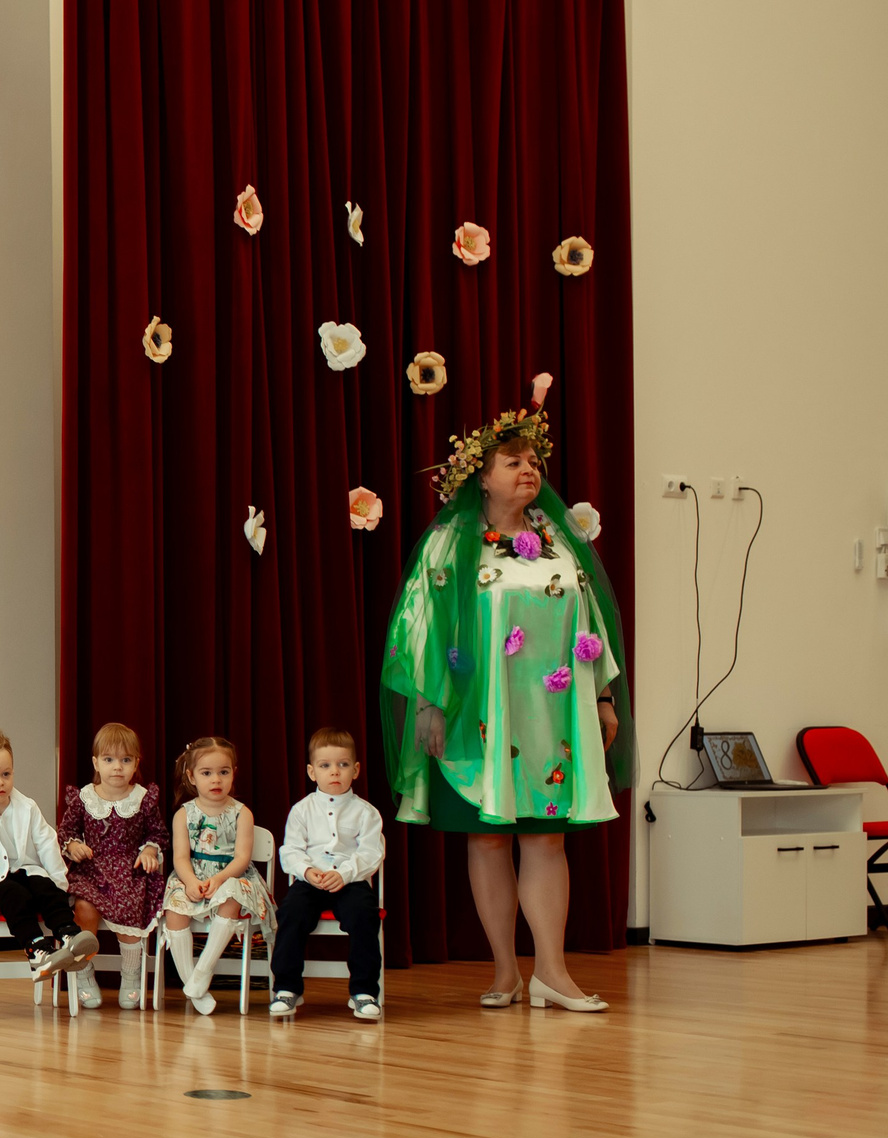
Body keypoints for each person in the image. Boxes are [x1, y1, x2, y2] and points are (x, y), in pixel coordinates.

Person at [381, 378, 629, 1011]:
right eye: (513, 461)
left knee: (547, 838)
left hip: (551, 719)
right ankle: (503, 972)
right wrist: (429, 704)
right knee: (487, 837)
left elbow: (589, 623)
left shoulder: (557, 540)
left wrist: (602, 698)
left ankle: (552, 973)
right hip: (477, 715)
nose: (529, 469)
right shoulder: (451, 545)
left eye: (533, 460)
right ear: (482, 479)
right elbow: (422, 627)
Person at [0, 726, 99, 991]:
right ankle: (37, 952)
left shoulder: (27, 806)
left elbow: (47, 843)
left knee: (45, 888)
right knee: (15, 896)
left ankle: (69, 935)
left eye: (6, 774)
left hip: (28, 871)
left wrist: (59, 882)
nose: (0, 782)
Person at [269, 727, 386, 1021]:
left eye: (343, 764)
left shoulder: (367, 813)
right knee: (291, 913)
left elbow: (371, 853)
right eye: (325, 765)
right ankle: (286, 988)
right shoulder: (302, 810)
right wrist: (307, 871)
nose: (334, 771)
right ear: (312, 772)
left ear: (355, 770)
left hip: (351, 882)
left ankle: (364, 992)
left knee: (364, 915)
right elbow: (290, 850)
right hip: (311, 881)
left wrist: (345, 874)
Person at [57, 722, 168, 1009]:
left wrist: (150, 850)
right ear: (96, 763)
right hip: (92, 871)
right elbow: (65, 831)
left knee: (131, 909)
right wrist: (73, 846)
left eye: (125, 760)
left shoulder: (143, 799)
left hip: (128, 872)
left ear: (136, 764)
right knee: (84, 908)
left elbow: (157, 834)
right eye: (109, 760)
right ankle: (83, 972)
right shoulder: (84, 798)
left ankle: (131, 975)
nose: (117, 767)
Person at [161, 736, 274, 1014]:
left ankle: (202, 972)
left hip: (231, 875)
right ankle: (193, 986)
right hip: (192, 875)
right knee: (174, 908)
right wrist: (190, 882)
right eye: (206, 773)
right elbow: (180, 857)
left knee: (232, 896)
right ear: (192, 776)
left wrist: (220, 879)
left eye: (223, 772)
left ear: (233, 773)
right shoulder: (183, 815)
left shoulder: (241, 813)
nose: (216, 780)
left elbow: (242, 858)